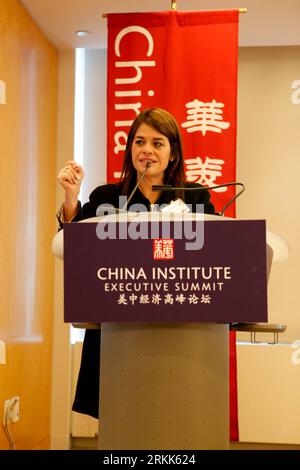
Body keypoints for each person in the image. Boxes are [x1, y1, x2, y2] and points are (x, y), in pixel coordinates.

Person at [57, 107, 215, 419]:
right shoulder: (106, 197)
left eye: (158, 143)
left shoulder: (195, 198)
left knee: (173, 413)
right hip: (116, 329)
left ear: (173, 154)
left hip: (178, 328)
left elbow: (215, 253)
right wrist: (72, 200)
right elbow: (76, 250)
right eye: (139, 142)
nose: (147, 150)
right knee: (121, 418)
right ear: (130, 150)